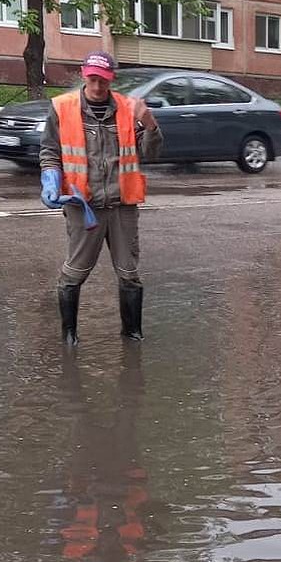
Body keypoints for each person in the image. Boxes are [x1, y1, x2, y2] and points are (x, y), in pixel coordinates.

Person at [39, 51, 163, 344]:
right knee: (73, 273)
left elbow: (152, 153)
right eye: (92, 79)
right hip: (84, 207)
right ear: (84, 74)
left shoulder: (127, 108)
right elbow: (49, 152)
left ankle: (132, 334)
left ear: (111, 79)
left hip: (122, 207)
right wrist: (50, 178)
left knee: (130, 274)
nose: (97, 87)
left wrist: (149, 122)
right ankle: (69, 335)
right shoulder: (62, 108)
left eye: (103, 81)